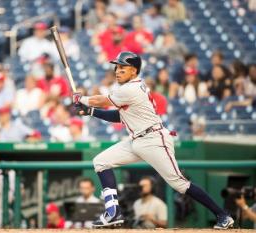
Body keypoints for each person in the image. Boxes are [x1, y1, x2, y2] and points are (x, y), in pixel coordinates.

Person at [73, 51, 234, 229]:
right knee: (101, 161)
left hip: (154, 140)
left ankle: (223, 215)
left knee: (179, 184)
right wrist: (90, 112)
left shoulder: (131, 89)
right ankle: (113, 212)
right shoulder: (128, 89)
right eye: (116, 67)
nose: (117, 71)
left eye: (122, 68)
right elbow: (119, 116)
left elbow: (102, 101)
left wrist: (83, 99)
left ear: (134, 71)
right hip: (137, 140)